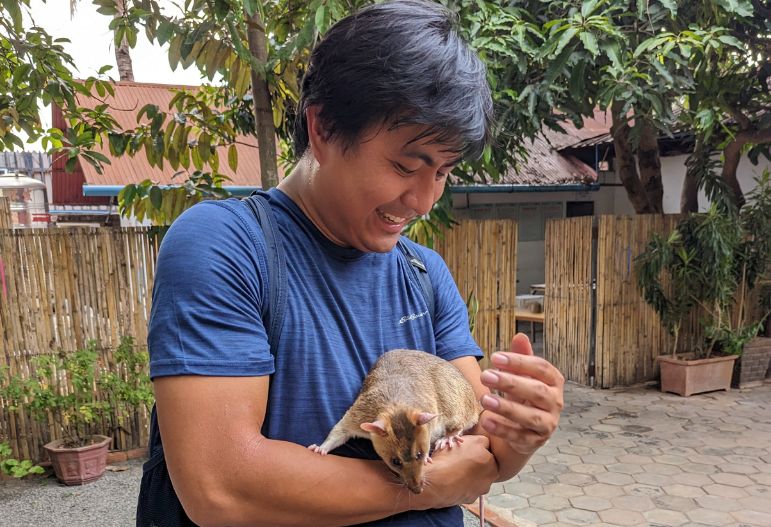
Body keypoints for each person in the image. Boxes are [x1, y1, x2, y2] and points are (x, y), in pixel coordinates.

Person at [136, 1, 565, 526]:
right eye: (407, 166)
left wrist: (522, 431)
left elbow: (480, 452)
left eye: (445, 172)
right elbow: (221, 486)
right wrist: (418, 490)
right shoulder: (226, 246)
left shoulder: (424, 272)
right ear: (323, 128)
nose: (426, 201)